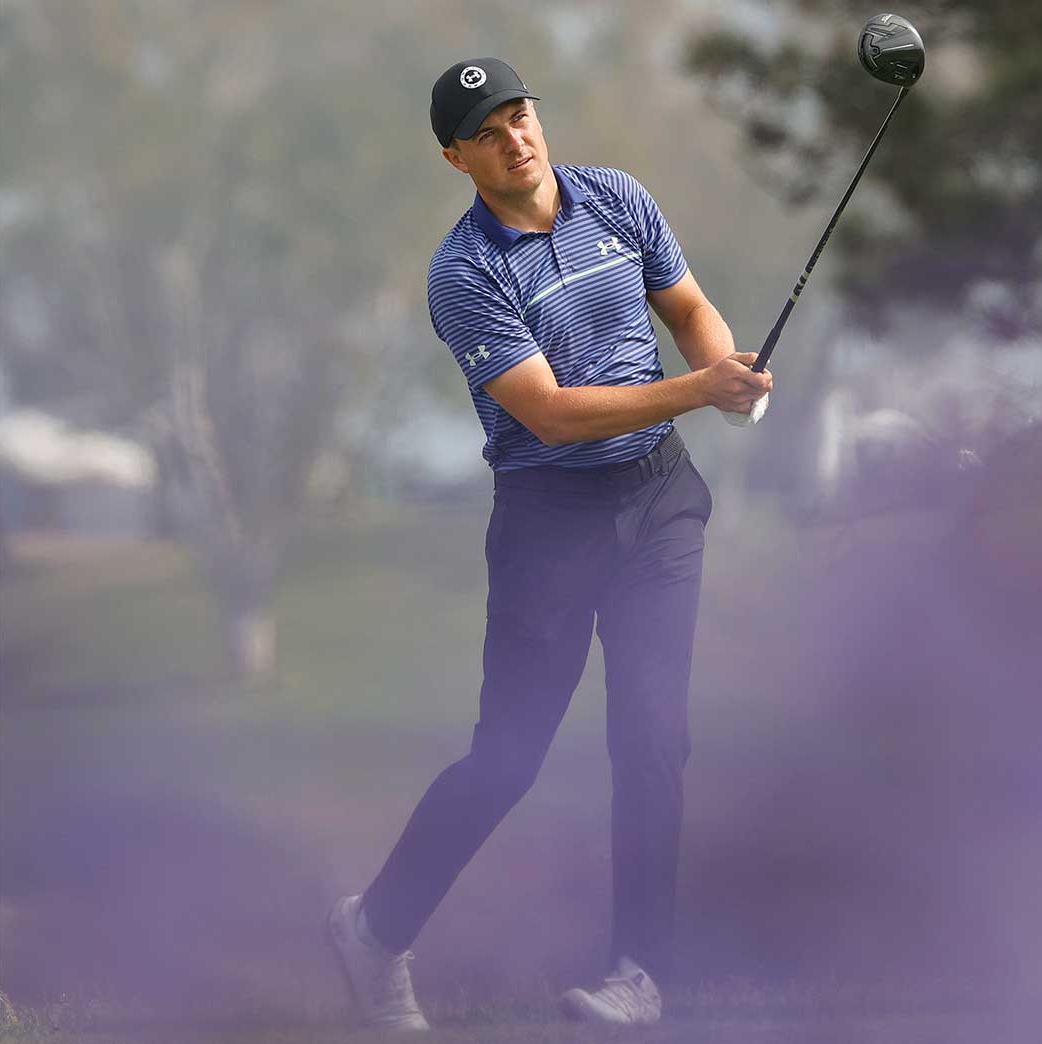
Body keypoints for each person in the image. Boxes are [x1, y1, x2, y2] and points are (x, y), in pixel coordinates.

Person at [325, 57, 771, 1032]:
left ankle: (637, 975)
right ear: (457, 156)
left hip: (658, 502)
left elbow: (688, 308)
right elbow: (554, 417)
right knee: (509, 758)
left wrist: (720, 368)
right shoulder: (466, 270)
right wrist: (700, 390)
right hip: (549, 525)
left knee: (652, 738)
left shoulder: (616, 198)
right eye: (487, 131)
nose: (514, 137)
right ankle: (373, 932)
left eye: (519, 114)